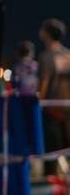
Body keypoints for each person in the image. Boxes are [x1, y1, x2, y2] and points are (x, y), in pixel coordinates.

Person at [38, 18, 70, 176]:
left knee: (50, 150)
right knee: (66, 148)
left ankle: (50, 183)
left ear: (47, 34)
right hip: (66, 107)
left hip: (50, 108)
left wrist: (39, 102)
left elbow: (45, 80)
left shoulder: (46, 56)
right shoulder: (67, 55)